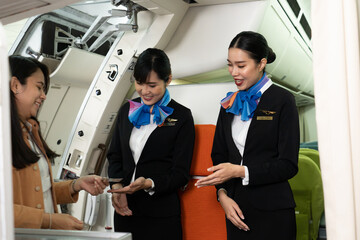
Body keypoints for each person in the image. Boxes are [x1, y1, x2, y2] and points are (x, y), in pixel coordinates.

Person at [195, 31, 299, 239]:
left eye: (241, 66)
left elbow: (288, 165)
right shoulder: (229, 103)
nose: (233, 72)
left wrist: (240, 171)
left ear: (261, 64)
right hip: (236, 210)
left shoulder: (283, 100)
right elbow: (219, 155)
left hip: (273, 211)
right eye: (230, 64)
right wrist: (222, 195)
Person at [9, 55, 109, 230]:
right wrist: (49, 220)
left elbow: (36, 191)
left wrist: (75, 185)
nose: (43, 96)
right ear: (15, 85)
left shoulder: (30, 132)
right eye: (39, 87)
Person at [107, 48, 195, 240]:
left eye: (152, 85)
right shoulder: (127, 111)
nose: (144, 91)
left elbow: (180, 173)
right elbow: (115, 155)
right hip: (125, 210)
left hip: (161, 214)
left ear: (168, 79)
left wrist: (149, 183)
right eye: (139, 83)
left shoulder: (182, 117)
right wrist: (116, 187)